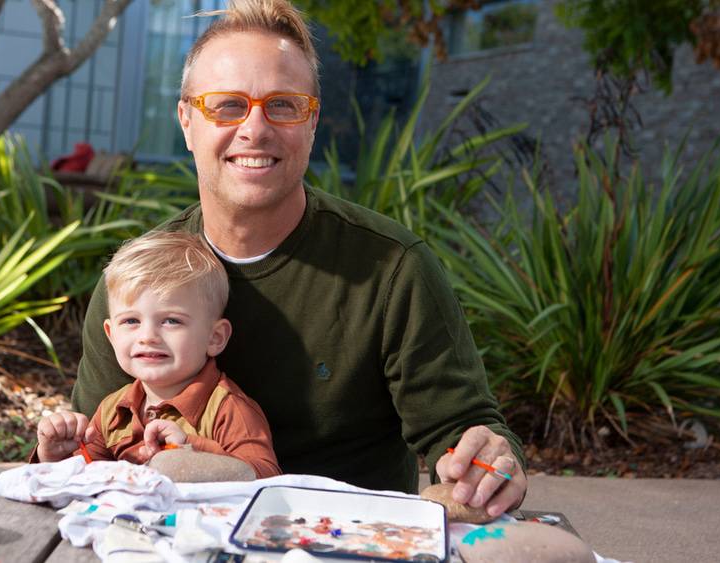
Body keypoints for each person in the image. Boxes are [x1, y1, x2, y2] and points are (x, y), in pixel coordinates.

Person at [73, 0, 527, 516]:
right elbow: (92, 450)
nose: (255, 129)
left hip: (352, 540)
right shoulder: (137, 285)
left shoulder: (392, 268)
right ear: (185, 121)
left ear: (312, 123)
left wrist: (488, 458)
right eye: (227, 105)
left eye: (284, 105)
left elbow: (462, 428)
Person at [36, 230, 281, 479]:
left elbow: (266, 476)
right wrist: (58, 458)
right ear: (111, 335)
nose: (148, 336)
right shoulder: (114, 410)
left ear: (214, 337)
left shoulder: (227, 409)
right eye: (131, 320)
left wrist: (190, 449)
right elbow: (88, 478)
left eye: (171, 321)